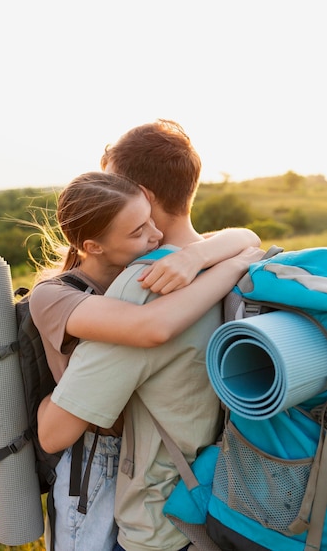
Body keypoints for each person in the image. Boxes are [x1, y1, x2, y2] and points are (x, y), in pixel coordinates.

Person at [35, 121, 263, 551]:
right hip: (229, 503)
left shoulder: (147, 286)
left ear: (143, 194)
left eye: (111, 180)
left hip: (159, 525)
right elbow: (245, 236)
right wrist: (215, 255)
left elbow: (54, 432)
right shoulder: (237, 257)